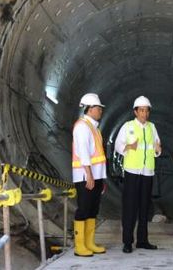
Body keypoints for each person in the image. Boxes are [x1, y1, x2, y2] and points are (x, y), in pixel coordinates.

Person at [114, 96, 162, 253]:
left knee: (144, 208)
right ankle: (127, 242)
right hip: (132, 172)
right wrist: (129, 146)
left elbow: (157, 149)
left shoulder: (152, 127)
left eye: (147, 110)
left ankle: (143, 240)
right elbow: (118, 146)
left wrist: (157, 150)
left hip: (147, 173)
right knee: (130, 208)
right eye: (141, 110)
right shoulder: (127, 127)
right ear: (135, 111)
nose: (144, 113)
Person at [71, 93, 107, 257]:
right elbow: (84, 153)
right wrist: (90, 176)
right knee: (84, 209)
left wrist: (101, 178)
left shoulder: (94, 128)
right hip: (86, 176)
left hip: (96, 176)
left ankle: (89, 243)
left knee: (93, 210)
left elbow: (97, 155)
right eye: (98, 108)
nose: (100, 111)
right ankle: (80, 246)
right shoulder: (82, 127)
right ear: (90, 109)